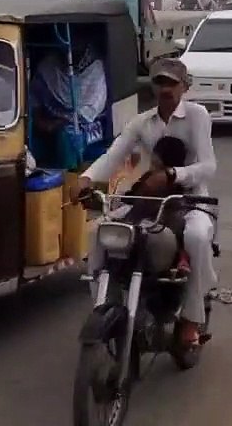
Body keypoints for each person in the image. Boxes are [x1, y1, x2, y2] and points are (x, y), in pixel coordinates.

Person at [79, 58, 216, 348]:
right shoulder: (141, 122)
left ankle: (192, 319)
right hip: (148, 199)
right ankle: (104, 306)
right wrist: (87, 179)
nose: (165, 89)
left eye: (172, 83)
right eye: (159, 82)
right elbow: (112, 156)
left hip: (191, 200)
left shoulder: (198, 116)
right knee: (98, 232)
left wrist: (172, 174)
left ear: (184, 86)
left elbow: (208, 165)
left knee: (196, 235)